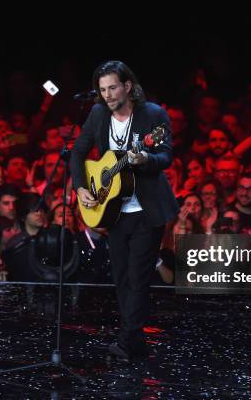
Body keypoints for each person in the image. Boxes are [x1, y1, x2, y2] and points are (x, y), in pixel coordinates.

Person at [69, 60, 179, 360]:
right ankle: (135, 340)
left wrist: (146, 159)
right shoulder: (96, 114)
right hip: (114, 210)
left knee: (138, 275)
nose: (107, 94)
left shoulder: (152, 115)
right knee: (121, 277)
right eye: (102, 89)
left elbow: (165, 155)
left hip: (147, 209)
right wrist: (81, 187)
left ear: (128, 86)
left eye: (113, 87)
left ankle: (128, 340)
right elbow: (78, 153)